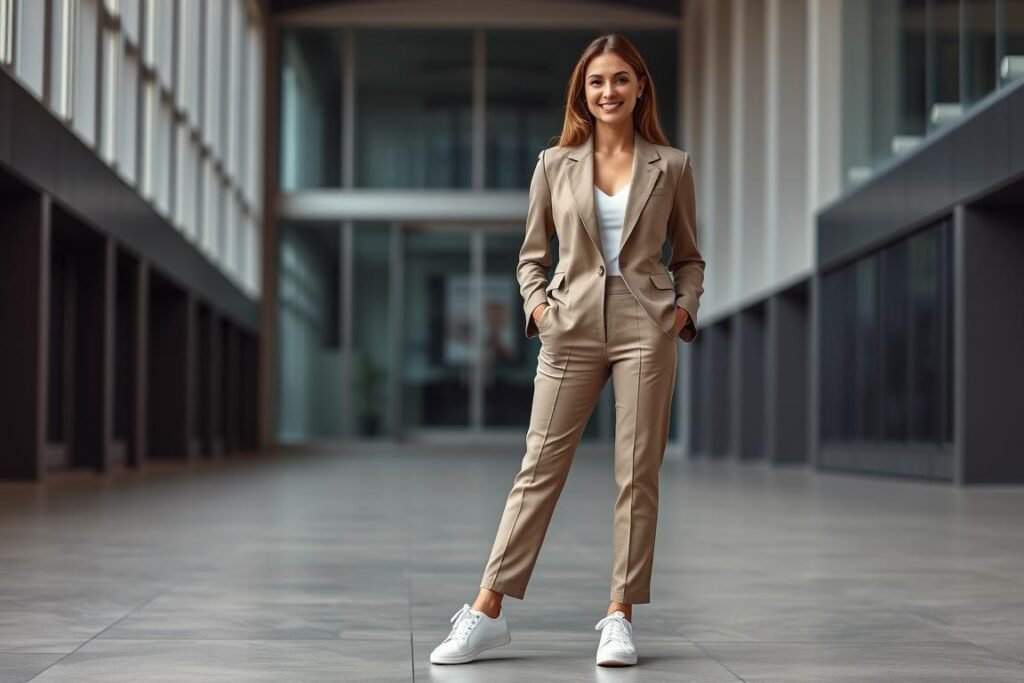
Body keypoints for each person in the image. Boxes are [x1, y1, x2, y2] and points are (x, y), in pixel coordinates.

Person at [430, 32, 705, 668]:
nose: (608, 91)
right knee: (538, 469)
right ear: (583, 93)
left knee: (636, 473)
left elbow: (688, 256)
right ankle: (486, 609)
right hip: (570, 324)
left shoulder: (673, 164)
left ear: (640, 87)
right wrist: (538, 310)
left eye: (619, 79)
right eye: (596, 82)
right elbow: (531, 257)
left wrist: (682, 312)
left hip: (647, 325)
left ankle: (619, 616)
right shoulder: (554, 163)